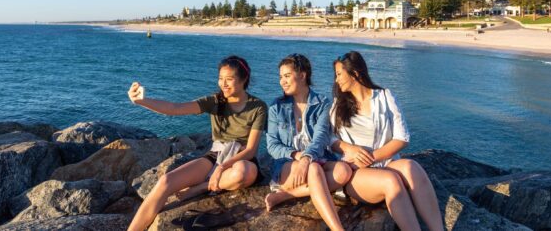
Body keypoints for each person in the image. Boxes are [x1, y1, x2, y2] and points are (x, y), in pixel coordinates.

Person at [126, 55, 267, 231]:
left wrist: (221, 169)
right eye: (220, 79)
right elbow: (174, 109)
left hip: (240, 159)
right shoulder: (215, 101)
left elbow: (251, 150)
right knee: (165, 181)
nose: (223, 84)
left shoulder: (258, 107)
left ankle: (201, 188)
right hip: (215, 155)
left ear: (244, 79)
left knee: (243, 173)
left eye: (229, 79)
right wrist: (141, 101)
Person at [329, 51, 444, 231]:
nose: (337, 80)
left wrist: (370, 158)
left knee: (412, 167)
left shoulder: (384, 96)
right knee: (391, 181)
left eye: (339, 74)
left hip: (385, 163)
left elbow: (402, 138)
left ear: (355, 74)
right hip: (354, 174)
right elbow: (329, 139)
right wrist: (348, 147)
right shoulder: (338, 105)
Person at [265, 54, 352, 231]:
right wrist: (299, 156)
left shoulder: (322, 103)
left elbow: (321, 137)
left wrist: (308, 158)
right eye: (281, 77)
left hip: (318, 159)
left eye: (287, 75)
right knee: (314, 168)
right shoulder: (276, 107)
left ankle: (285, 195)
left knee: (343, 171)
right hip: (288, 166)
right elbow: (272, 145)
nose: (282, 81)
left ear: (302, 75)